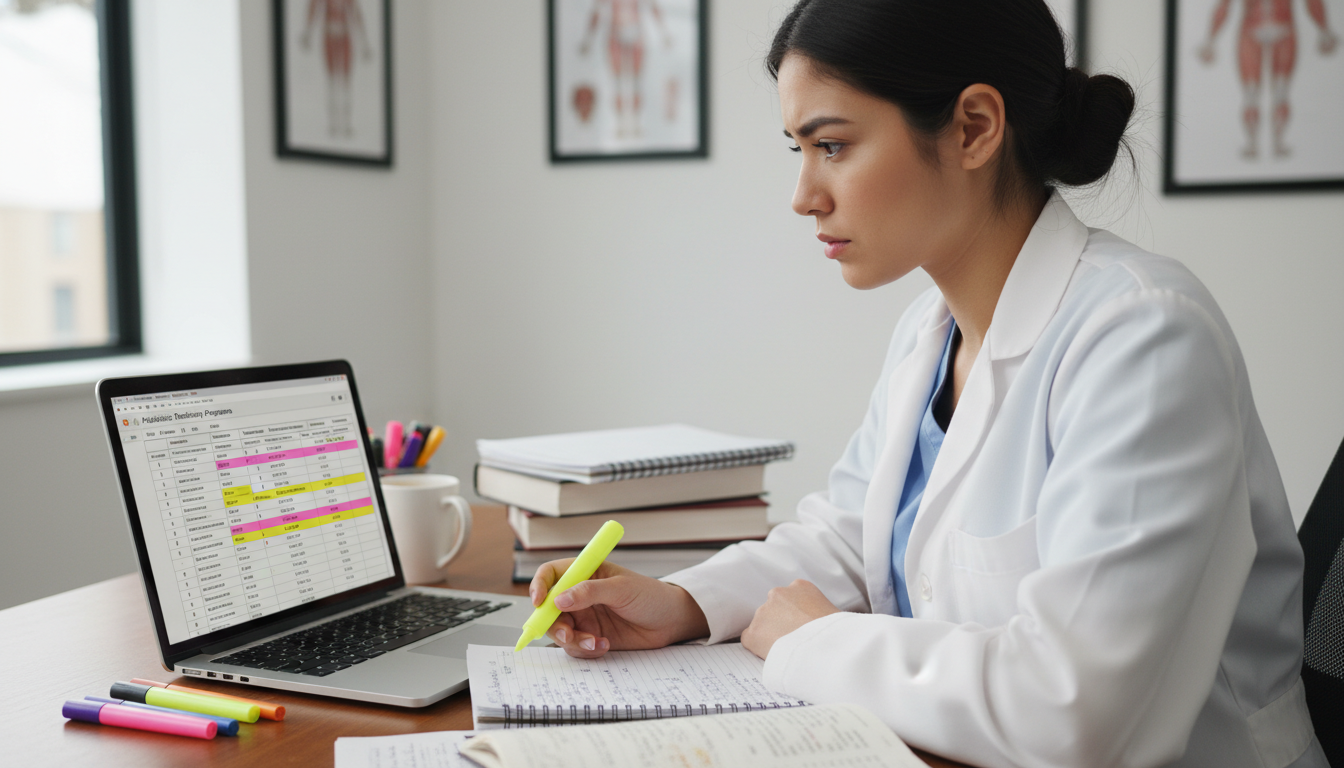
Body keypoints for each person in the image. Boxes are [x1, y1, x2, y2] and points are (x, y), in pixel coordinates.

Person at [528, 1, 1324, 765]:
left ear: (974, 128)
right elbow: (850, 542)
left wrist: (813, 642)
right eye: (798, 149)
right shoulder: (928, 331)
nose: (804, 196)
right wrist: (683, 604)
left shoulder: (1145, 338)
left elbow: (1078, 713)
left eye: (832, 146)